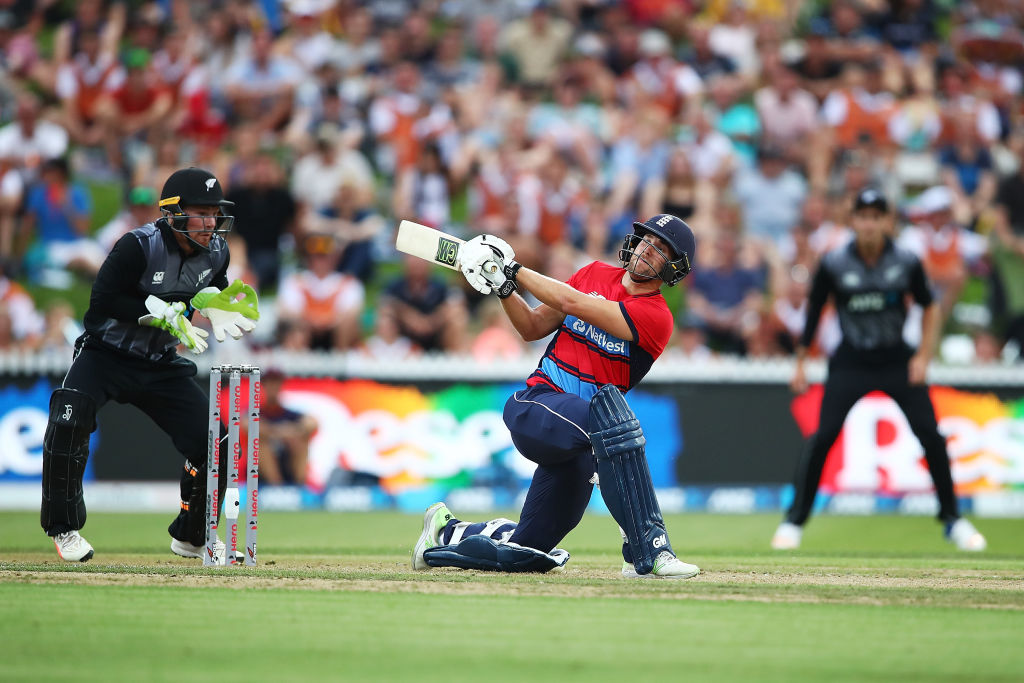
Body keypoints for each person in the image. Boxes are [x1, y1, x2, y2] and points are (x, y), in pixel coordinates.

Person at [411, 214, 701, 578]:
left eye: (660, 249)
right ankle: (648, 550)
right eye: (646, 240)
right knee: (614, 424)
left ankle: (445, 531)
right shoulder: (593, 273)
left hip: (582, 445)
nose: (647, 250)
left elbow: (574, 303)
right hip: (537, 405)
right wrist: (504, 287)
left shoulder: (656, 316)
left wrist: (510, 270)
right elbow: (532, 326)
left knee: (525, 549)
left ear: (673, 267)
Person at [40, 167, 260, 562]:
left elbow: (213, 287)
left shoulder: (217, 252)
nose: (211, 223)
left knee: (218, 443)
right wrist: (157, 310)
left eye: (214, 213)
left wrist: (216, 302)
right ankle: (64, 527)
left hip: (159, 361)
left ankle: (193, 537)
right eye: (201, 213)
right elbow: (102, 303)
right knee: (68, 422)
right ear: (174, 212)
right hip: (105, 353)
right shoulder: (137, 246)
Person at [771, 188, 987, 553]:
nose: (869, 224)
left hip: (896, 360)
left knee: (931, 436)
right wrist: (801, 362)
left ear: (887, 221)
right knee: (822, 438)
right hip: (851, 360)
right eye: (863, 217)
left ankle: (953, 519)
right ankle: (794, 521)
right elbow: (814, 311)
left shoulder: (906, 260)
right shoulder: (835, 262)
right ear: (853, 221)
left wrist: (922, 356)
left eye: (876, 217)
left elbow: (929, 307)